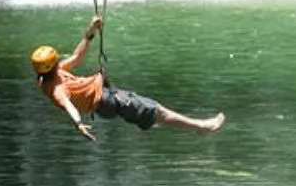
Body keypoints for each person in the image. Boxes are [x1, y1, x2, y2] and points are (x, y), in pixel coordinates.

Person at [30, 15, 226, 141]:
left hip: (107, 96)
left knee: (154, 109)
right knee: (154, 110)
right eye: (56, 61)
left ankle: (197, 126)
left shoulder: (53, 73)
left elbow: (76, 57)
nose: (59, 62)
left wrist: (90, 32)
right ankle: (202, 127)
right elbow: (68, 105)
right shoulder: (56, 87)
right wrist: (78, 124)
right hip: (107, 101)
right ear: (51, 66)